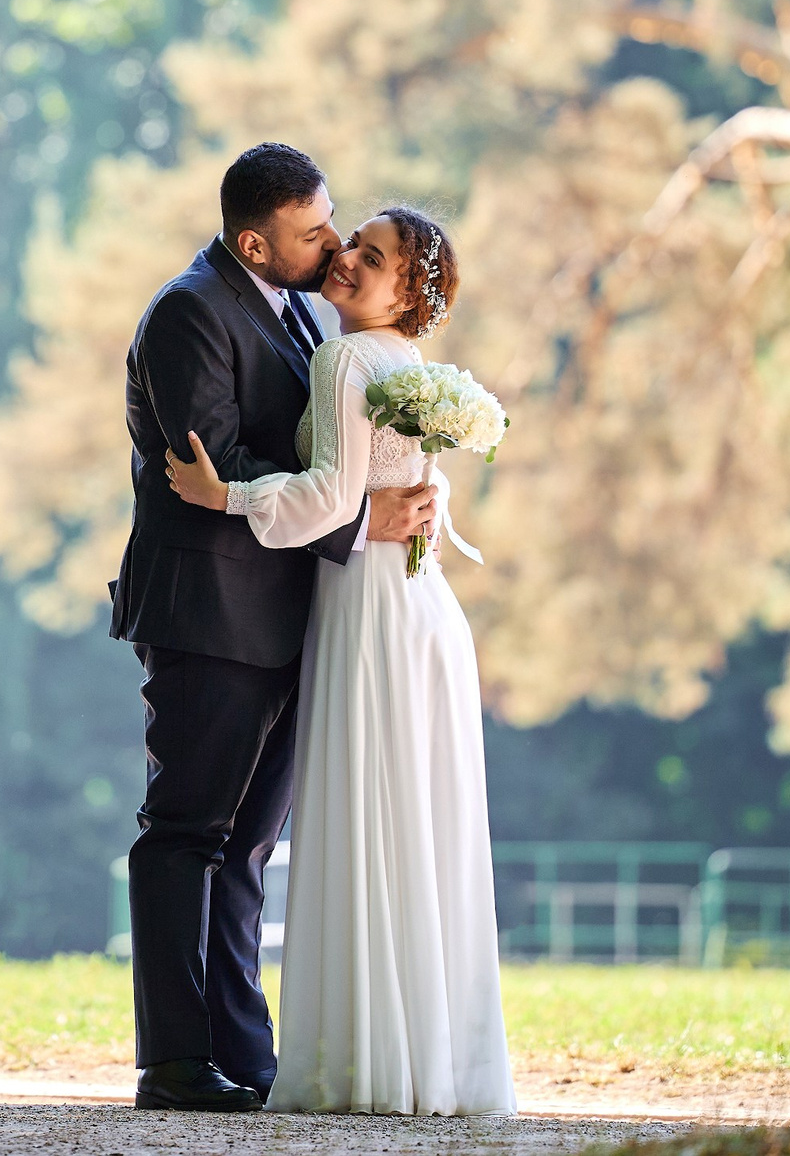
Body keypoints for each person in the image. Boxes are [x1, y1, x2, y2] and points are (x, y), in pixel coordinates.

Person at [165, 205, 516, 1117]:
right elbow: (410, 487)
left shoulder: (347, 356)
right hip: (420, 604)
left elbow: (328, 498)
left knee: (368, 819)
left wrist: (223, 493)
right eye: (348, 243)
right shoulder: (407, 363)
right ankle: (421, 1059)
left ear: (411, 289)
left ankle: (365, 1057)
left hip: (368, 604)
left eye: (373, 255)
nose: (347, 259)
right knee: (410, 824)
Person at [114, 143, 440, 1114]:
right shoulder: (189, 312)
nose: (332, 241)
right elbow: (219, 458)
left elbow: (328, 447)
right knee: (185, 832)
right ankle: (172, 1062)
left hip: (293, 609)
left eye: (332, 219)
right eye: (311, 231)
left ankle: (243, 1056)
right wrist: (359, 518)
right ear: (254, 240)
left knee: (247, 845)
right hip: (208, 610)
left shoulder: (298, 309)